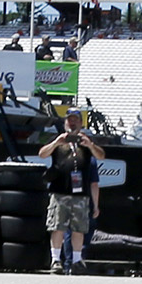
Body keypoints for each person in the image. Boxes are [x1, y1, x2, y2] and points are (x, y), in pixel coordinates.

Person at [39, 112, 103, 273]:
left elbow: (101, 156)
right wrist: (55, 143)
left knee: (78, 228)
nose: (72, 123)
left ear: (81, 123)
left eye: (75, 120)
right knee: (57, 227)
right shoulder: (59, 139)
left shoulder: (86, 142)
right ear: (65, 122)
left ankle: (77, 260)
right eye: (70, 120)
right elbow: (42, 154)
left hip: (80, 194)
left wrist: (90, 145)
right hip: (59, 191)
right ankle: (55, 260)